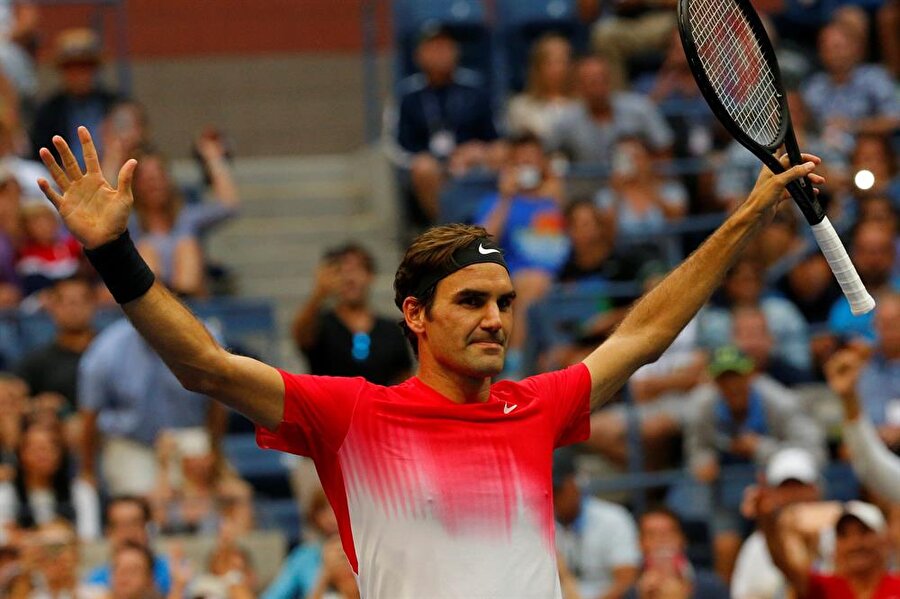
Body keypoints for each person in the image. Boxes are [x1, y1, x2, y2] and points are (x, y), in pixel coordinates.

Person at [37, 126, 823, 598]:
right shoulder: (353, 415)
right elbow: (204, 364)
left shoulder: (535, 405)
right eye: (472, 301)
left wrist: (749, 213)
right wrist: (113, 251)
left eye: (504, 301)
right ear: (415, 315)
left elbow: (642, 333)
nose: (495, 318)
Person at [685, 346, 825, 580]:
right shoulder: (702, 406)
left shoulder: (780, 401)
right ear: (714, 382)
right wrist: (703, 461)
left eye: (737, 377)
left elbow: (814, 452)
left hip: (780, 488)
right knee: (725, 546)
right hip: (727, 490)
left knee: (791, 538)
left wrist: (760, 449)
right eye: (723, 379)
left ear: (751, 375)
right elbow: (696, 448)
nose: (731, 386)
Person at [77, 318, 227, 496]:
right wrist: (87, 470)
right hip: (132, 440)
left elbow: (218, 404)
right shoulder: (106, 349)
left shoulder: (204, 338)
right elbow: (89, 415)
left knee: (206, 490)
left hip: (189, 433)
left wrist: (216, 452)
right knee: (135, 503)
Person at [476, 133, 568, 370]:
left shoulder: (555, 199)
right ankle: (517, 363)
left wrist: (559, 197)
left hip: (563, 278)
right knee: (532, 283)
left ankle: (521, 362)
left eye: (533, 160)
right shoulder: (496, 202)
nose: (529, 166)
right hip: (514, 279)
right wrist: (506, 197)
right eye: (522, 161)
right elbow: (482, 242)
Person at [391, 25, 500, 223]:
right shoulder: (408, 94)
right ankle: (447, 228)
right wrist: (433, 160)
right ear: (419, 56)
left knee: (501, 153)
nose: (440, 54)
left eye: (445, 47)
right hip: (430, 166)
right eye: (433, 48)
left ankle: (496, 222)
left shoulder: (474, 88)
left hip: (471, 160)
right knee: (424, 168)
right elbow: (398, 146)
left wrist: (477, 151)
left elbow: (495, 137)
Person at [291, 243, 411, 385]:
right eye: (342, 271)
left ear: (370, 275)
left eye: (357, 269)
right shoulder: (321, 325)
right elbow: (301, 336)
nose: (350, 278)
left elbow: (403, 377)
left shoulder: (390, 330)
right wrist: (318, 295)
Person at [731, 448, 823, 599]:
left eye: (799, 487)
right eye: (785, 488)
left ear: (814, 489)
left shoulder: (840, 534)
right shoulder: (755, 546)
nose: (793, 495)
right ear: (772, 494)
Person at [548, 56, 673, 167]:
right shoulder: (567, 120)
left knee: (672, 188)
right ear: (579, 87)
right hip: (587, 184)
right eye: (592, 82)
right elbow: (545, 152)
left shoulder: (640, 108)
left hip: (637, 181)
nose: (599, 87)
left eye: (602, 80)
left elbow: (664, 147)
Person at [761, 499, 900, 598]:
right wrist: (767, 521)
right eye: (844, 535)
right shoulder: (824, 587)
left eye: (864, 532)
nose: (855, 544)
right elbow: (786, 565)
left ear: (884, 539)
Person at [553, 448, 640, 599]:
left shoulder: (613, 518)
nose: (553, 496)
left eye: (558, 489)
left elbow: (626, 580)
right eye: (549, 489)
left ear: (577, 482)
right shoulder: (539, 526)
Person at [30, 29, 119, 166]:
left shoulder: (115, 104)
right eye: (71, 67)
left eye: (84, 66)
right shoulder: (48, 111)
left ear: (94, 68)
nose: (78, 74)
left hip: (111, 172)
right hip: (63, 175)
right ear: (62, 70)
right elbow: (39, 154)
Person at [0, 421, 100, 541]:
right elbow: (4, 537)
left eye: (50, 448)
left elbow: (89, 536)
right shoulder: (6, 492)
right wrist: (45, 535)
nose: (43, 455)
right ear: (21, 454)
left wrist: (30, 535)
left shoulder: (81, 491)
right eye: (36, 449)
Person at [14, 276, 95, 420]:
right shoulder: (38, 361)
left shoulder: (110, 354)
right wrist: (38, 404)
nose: (73, 309)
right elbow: (13, 397)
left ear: (93, 305)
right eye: (65, 302)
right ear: (53, 307)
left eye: (80, 301)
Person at [623, 508, 728, 599]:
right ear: (640, 543)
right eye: (651, 535)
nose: (661, 540)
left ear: (683, 540)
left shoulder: (712, 585)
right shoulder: (633, 592)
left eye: (668, 533)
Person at [84, 496, 172, 594]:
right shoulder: (95, 582)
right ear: (108, 532)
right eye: (121, 525)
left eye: (135, 523)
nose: (129, 532)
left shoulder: (171, 571)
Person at [505, 34, 578, 143]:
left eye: (562, 62)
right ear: (537, 67)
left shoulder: (583, 105)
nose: (557, 69)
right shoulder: (520, 107)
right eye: (550, 63)